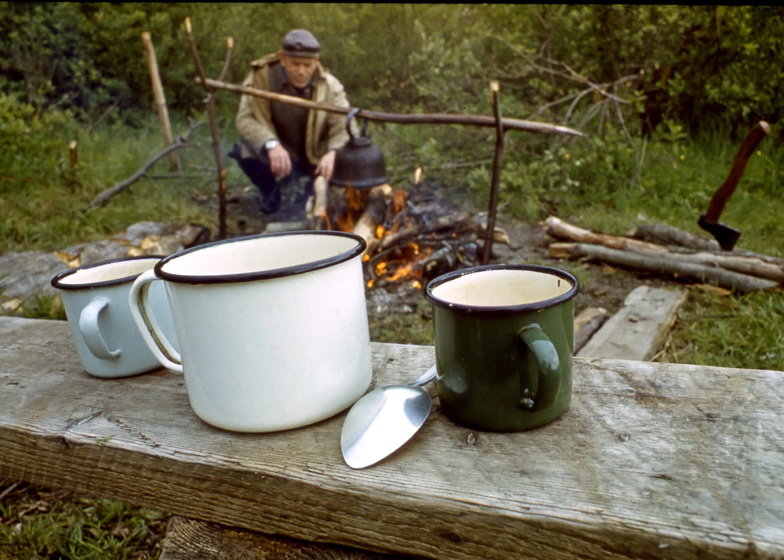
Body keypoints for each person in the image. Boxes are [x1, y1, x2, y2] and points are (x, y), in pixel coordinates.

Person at [229, 29, 351, 216]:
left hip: (316, 154)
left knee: (347, 156)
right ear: (282, 59)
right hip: (280, 151)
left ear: (316, 62)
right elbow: (245, 119)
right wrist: (271, 144)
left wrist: (334, 152)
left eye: (307, 65)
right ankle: (271, 193)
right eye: (295, 64)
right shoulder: (261, 79)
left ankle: (311, 192)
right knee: (243, 150)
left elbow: (344, 125)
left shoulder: (330, 86)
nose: (301, 72)